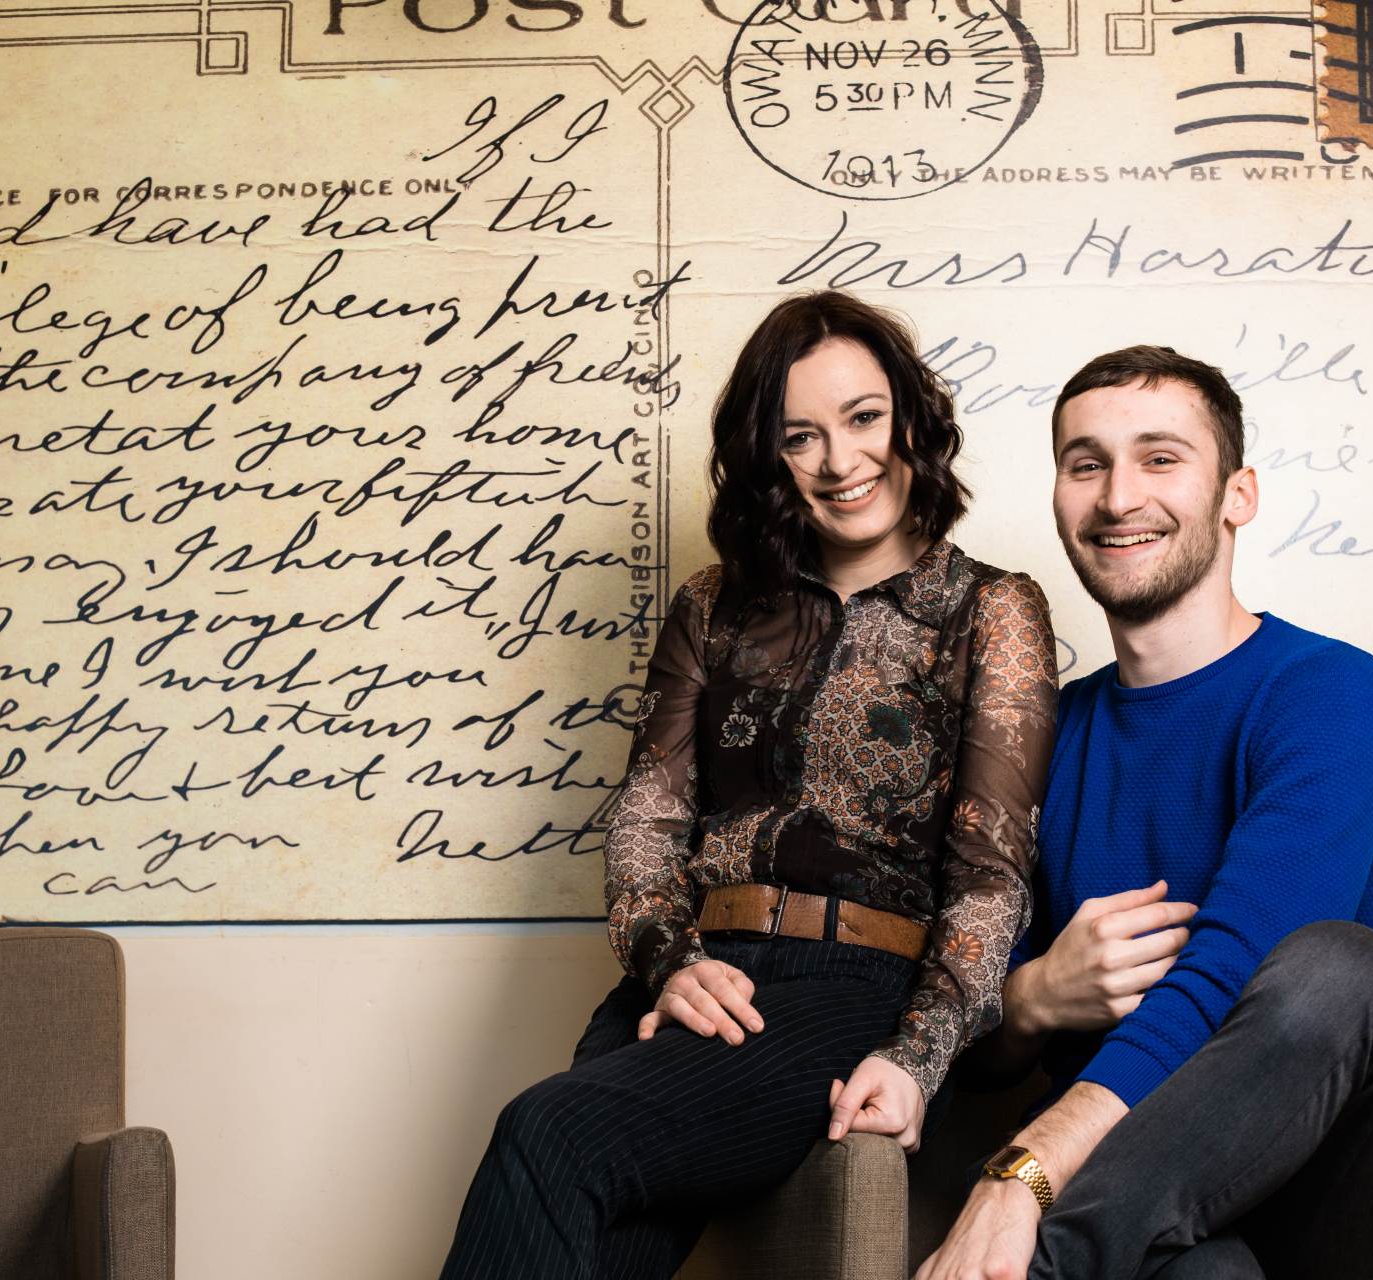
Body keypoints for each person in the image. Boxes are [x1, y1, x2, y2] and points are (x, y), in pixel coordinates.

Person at [441, 291, 1060, 1279]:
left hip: (853, 988)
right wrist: (669, 961)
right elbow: (648, 818)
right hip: (694, 976)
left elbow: (992, 874)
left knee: (547, 1131)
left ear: (910, 418)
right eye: (800, 436)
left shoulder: (990, 609)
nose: (840, 460)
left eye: (864, 417)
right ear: (769, 456)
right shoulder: (711, 605)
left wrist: (918, 1055)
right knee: (586, 1241)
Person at [919, 346, 1373, 1280]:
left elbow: (1232, 976)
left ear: (1238, 495)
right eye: (1086, 464)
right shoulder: (1038, 733)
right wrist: (1033, 999)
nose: (1119, 498)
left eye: (1160, 458)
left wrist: (1021, 1176)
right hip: (1140, 1223)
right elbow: (966, 1034)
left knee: (1343, 969)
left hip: (1312, 1204)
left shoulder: (1329, 693)